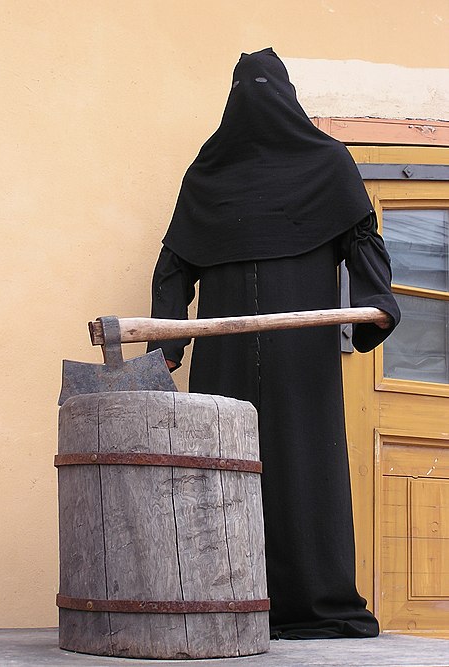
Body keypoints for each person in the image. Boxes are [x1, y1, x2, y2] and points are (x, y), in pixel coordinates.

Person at [147, 48, 400, 639]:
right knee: (222, 466)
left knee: (303, 462)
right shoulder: (208, 176)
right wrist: (166, 342)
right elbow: (176, 263)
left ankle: (312, 603)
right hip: (227, 353)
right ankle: (225, 598)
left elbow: (360, 241)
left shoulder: (324, 164)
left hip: (300, 355)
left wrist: (378, 304)